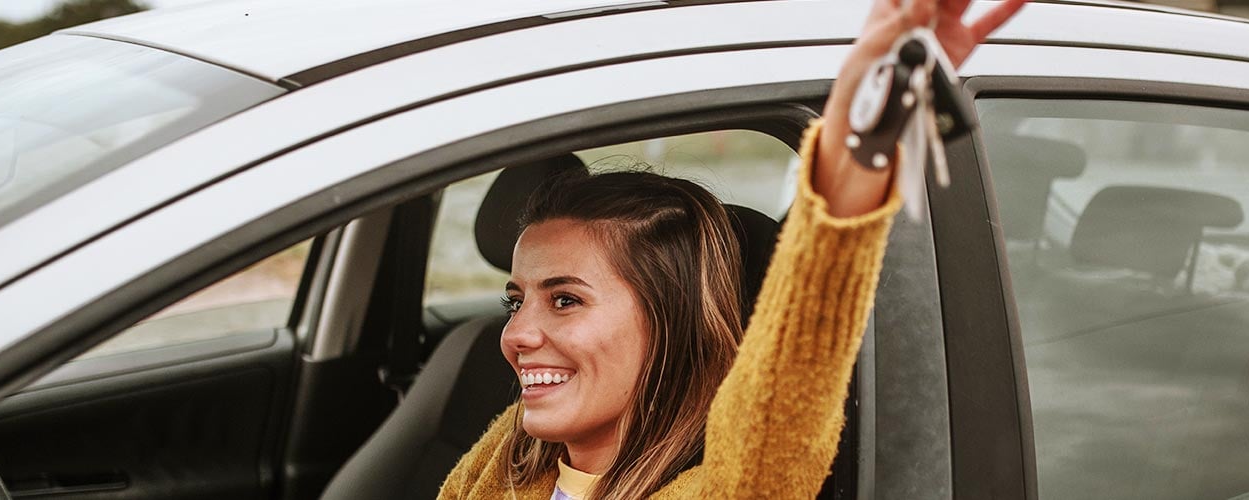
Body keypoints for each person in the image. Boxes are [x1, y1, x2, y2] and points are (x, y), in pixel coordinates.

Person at [440, 0, 1028, 498]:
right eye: (515, 300)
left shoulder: (730, 485)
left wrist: (859, 147)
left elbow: (776, 418)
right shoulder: (512, 458)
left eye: (565, 300)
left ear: (672, 321)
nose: (516, 336)